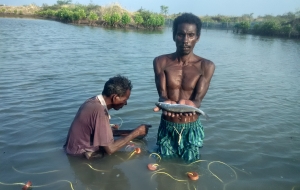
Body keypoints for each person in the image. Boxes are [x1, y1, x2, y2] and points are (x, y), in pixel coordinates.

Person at [153, 13, 215, 162]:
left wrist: (192, 105)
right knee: (163, 164)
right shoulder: (160, 62)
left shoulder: (206, 66)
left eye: (191, 35)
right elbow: (162, 95)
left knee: (191, 165)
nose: (186, 40)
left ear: (197, 37)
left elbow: (198, 100)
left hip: (191, 126)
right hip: (167, 124)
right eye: (181, 34)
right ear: (174, 36)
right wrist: (165, 102)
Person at [64, 75, 151, 159]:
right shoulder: (100, 111)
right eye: (125, 100)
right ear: (115, 98)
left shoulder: (93, 101)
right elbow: (110, 149)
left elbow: (100, 133)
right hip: (80, 155)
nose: (126, 103)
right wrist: (136, 133)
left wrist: (131, 132)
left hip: (72, 150)